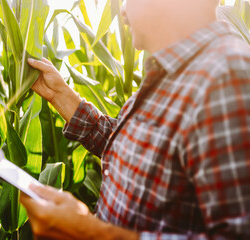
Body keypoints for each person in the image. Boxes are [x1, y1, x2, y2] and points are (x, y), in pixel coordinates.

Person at [20, 0, 250, 239]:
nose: (122, 11)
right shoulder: (176, 71)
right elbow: (137, 153)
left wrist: (90, 233)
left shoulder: (226, 75)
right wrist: (61, 96)